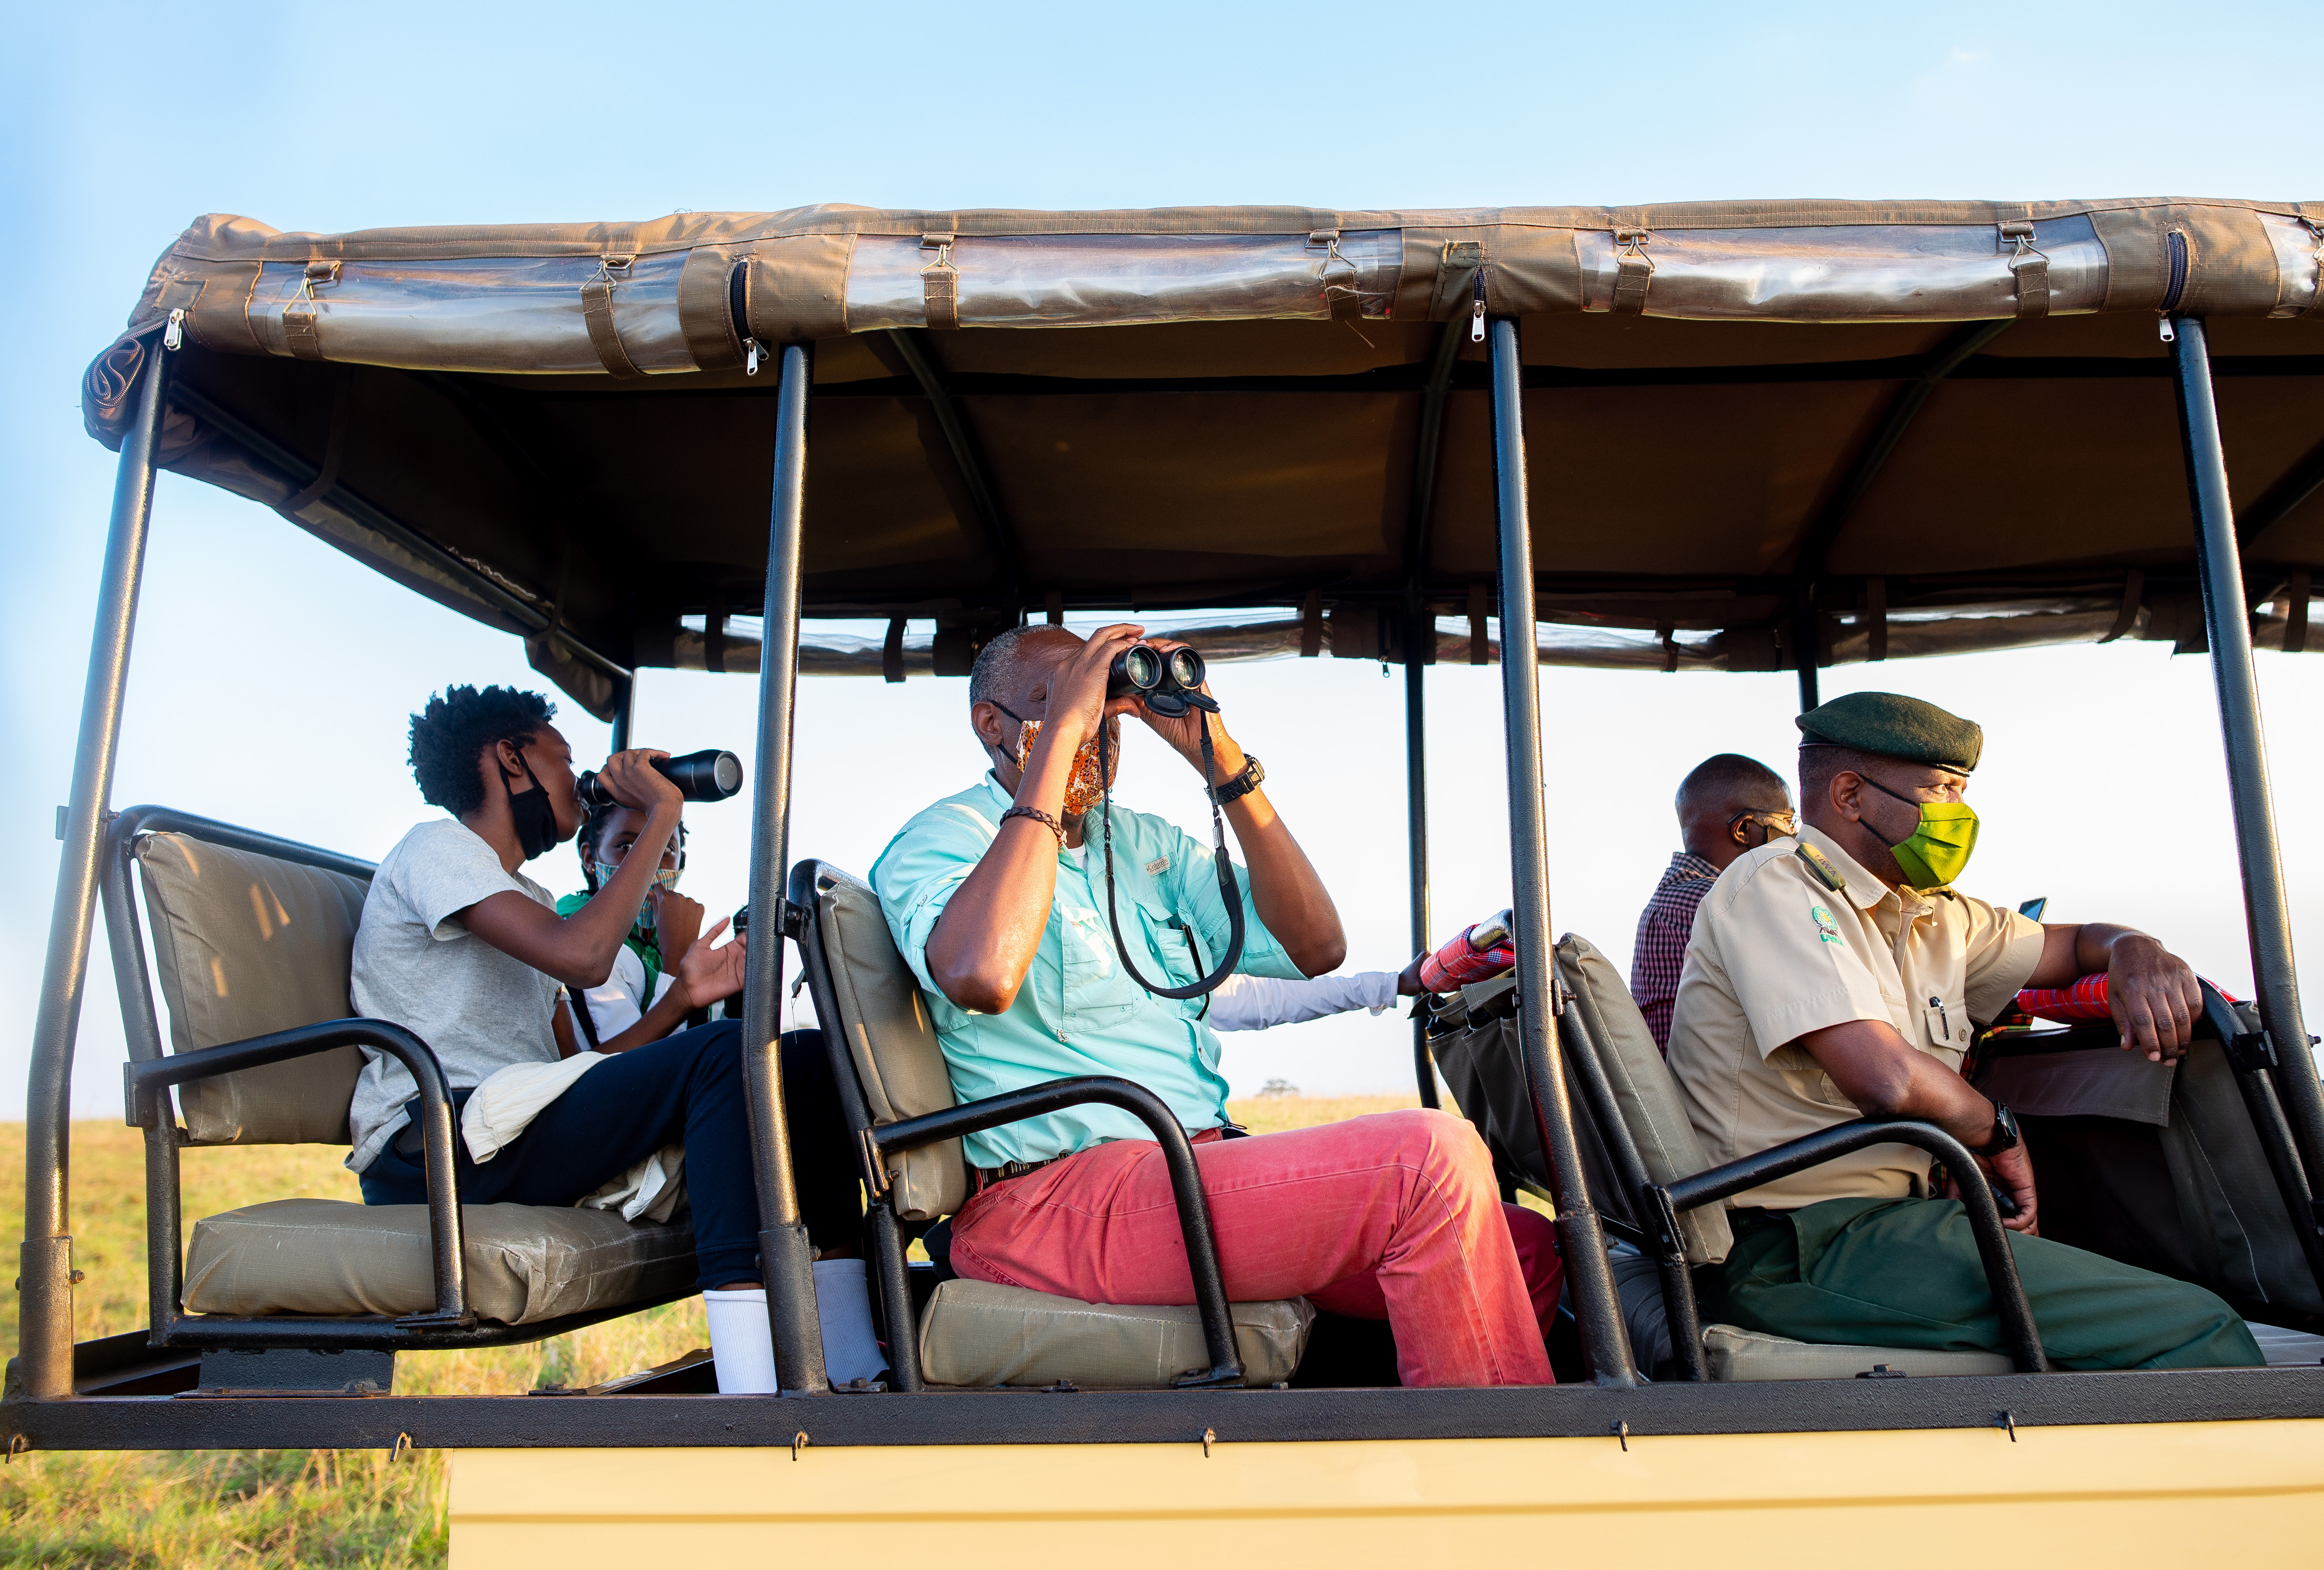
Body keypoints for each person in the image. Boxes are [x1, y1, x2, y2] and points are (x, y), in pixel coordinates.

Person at [871, 625, 1563, 1387]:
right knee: (1429, 1161)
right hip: (1051, 1197)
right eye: (1057, 699)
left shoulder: (1139, 843)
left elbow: (1316, 945)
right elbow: (983, 975)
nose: (1095, 726)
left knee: (1527, 1248)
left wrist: (1219, 758)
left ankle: (1390, 1467)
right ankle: (1489, 1490)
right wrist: (1062, 737)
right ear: (991, 724)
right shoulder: (943, 840)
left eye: (1103, 705)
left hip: (1185, 1167)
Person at [1664, 691, 2262, 1370]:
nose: (1959, 813)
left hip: (1889, 1224)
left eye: (1963, 790)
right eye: (1940, 789)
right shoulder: (1777, 884)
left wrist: (2135, 948)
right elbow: (1885, 1078)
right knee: (2196, 1328)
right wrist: (1995, 1131)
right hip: (1792, 1239)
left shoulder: (1931, 913)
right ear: (1851, 794)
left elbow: (2073, 946)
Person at [348, 685, 879, 1388]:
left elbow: (587, 1069)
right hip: (436, 1149)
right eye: (563, 761)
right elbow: (584, 958)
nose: (578, 782)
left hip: (508, 1125)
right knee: (725, 1059)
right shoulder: (437, 846)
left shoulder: (525, 901)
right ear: (510, 760)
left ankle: (855, 1366)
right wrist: (662, 812)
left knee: (798, 1062)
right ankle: (751, 1391)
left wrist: (685, 995)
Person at [1629, 754, 1794, 1053]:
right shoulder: (1717, 902)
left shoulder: (1684, 897)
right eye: (1789, 822)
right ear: (1744, 829)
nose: (1795, 837)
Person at [556, 802, 732, 1049]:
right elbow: (630, 1071)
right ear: (590, 858)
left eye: (667, 849)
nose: (650, 864)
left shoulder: (674, 936)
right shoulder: (576, 934)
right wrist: (678, 964)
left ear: (682, 862)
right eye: (627, 846)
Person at [1205, 957, 1425, 1033]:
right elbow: (1266, 1000)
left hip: (1211, 1123)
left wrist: (1393, 984)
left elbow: (1268, 998)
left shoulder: (1191, 984)